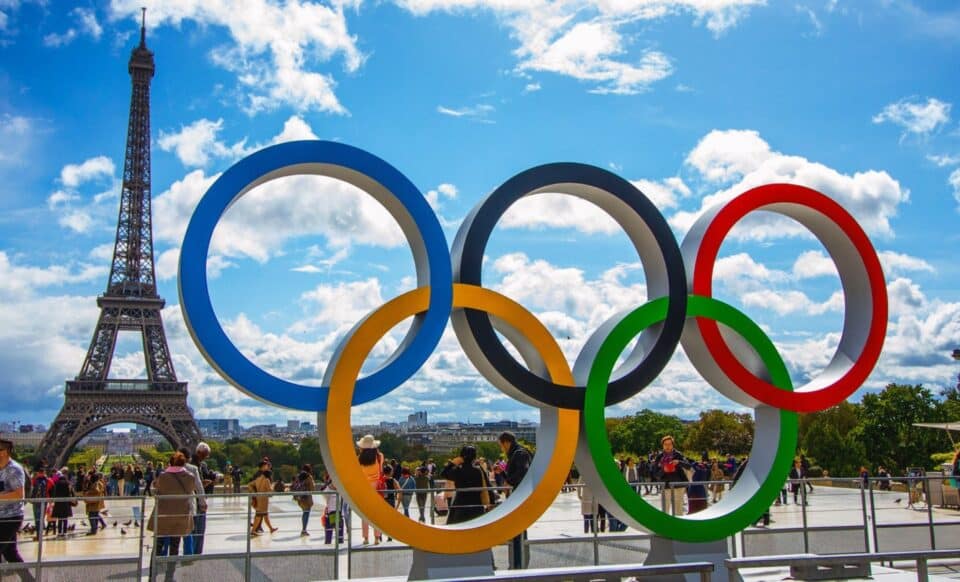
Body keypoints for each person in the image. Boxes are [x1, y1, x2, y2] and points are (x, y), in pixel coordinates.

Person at [149, 452, 197, 582]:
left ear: (170, 462)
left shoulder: (163, 477)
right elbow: (191, 490)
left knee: (157, 546)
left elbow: (156, 489)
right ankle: (169, 576)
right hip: (180, 516)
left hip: (163, 516)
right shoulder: (190, 477)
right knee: (175, 547)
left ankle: (152, 575)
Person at [0, 438, 33, 580]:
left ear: (5, 452)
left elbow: (19, 494)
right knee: (11, 554)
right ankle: (29, 580)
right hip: (2, 516)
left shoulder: (14, 469)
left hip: (10, 517)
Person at [499, 432, 531, 568]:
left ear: (506, 442)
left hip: (519, 496)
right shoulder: (520, 453)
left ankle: (518, 563)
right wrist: (502, 474)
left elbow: (522, 473)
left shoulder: (519, 453)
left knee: (517, 531)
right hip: (519, 495)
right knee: (518, 531)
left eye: (501, 445)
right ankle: (518, 562)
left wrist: (508, 481)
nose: (501, 448)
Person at [441, 446, 490, 524]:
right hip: (476, 506)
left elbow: (443, 474)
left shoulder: (458, 470)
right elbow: (487, 484)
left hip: (460, 506)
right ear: (474, 457)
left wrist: (452, 463)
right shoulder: (478, 471)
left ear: (461, 457)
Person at [356, 434, 385, 545]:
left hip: (364, 487)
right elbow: (381, 470)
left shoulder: (359, 458)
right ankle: (377, 538)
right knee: (376, 514)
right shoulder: (379, 456)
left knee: (365, 515)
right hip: (376, 488)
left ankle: (366, 538)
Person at [651, 435, 690, 516]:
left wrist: (679, 462)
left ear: (673, 445)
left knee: (678, 510)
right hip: (665, 485)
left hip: (678, 485)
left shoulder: (678, 454)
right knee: (665, 510)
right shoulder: (659, 457)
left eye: (669, 444)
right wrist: (663, 470)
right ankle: (666, 527)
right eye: (665, 444)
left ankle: (679, 527)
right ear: (663, 445)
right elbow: (655, 474)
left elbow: (688, 466)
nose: (668, 446)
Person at [190, 442, 216, 555]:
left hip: (194, 502)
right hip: (196, 502)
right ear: (199, 452)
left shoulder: (199, 465)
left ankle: (193, 552)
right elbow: (196, 486)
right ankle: (196, 553)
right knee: (198, 529)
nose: (206, 457)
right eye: (205, 454)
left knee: (195, 530)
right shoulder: (194, 466)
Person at [248, 468, 278, 536]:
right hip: (264, 500)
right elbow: (270, 491)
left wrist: (254, 493)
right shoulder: (266, 480)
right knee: (259, 516)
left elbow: (250, 485)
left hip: (258, 498)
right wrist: (273, 486)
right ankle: (253, 531)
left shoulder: (258, 479)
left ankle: (271, 528)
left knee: (265, 515)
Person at [50, 467, 75, 538]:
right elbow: (70, 493)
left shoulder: (57, 484)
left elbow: (54, 493)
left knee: (60, 518)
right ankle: (65, 532)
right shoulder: (67, 483)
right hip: (66, 503)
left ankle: (59, 532)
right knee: (65, 518)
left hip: (58, 503)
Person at [293, 464, 316, 537]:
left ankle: (304, 529)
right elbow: (312, 489)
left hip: (300, 498)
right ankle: (304, 530)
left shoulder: (298, 476)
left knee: (304, 513)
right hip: (307, 498)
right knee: (306, 513)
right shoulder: (309, 477)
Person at [28, 465, 51, 539]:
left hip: (36, 501)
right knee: (41, 518)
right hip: (44, 501)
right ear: (44, 472)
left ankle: (38, 535)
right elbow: (52, 490)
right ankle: (40, 535)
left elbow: (30, 490)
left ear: (38, 473)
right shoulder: (48, 480)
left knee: (37, 518)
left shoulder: (34, 480)